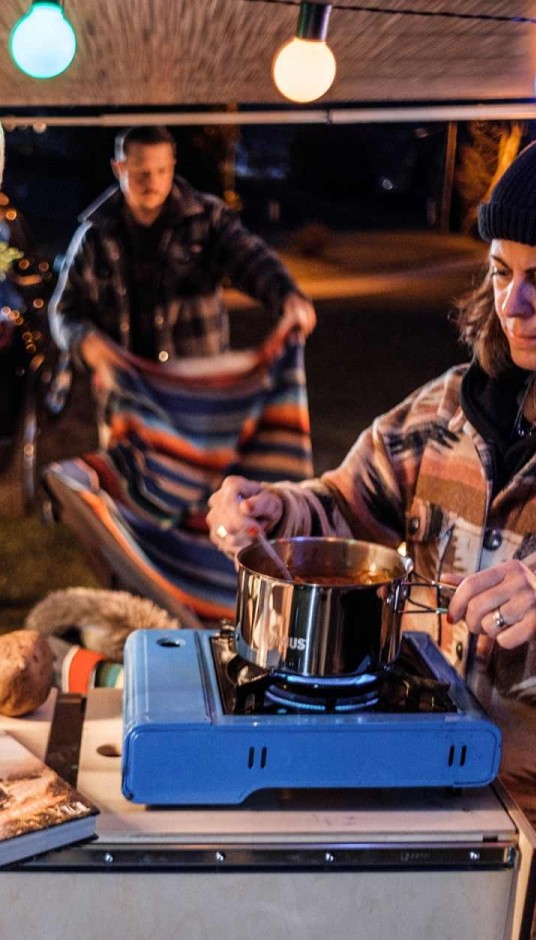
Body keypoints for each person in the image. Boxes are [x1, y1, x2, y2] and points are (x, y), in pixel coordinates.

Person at [206, 141, 536, 715]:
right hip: (434, 764)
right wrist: (273, 510)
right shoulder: (444, 412)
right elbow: (345, 502)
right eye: (502, 273)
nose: (513, 304)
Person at [49, 126, 317, 370]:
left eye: (162, 171)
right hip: (126, 394)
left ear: (173, 166)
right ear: (119, 168)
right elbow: (64, 311)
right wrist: (83, 343)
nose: (152, 181)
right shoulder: (93, 237)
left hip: (198, 389)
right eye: (141, 172)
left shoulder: (207, 219)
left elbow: (250, 259)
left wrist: (287, 297)